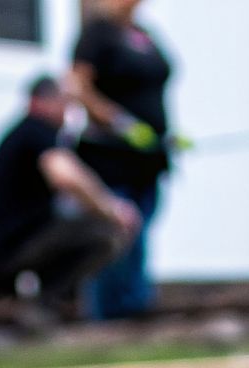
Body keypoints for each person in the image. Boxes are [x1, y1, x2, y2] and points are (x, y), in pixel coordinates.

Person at [0, 76, 143, 326]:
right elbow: (66, 177)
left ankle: (53, 303)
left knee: (83, 225)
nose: (69, 112)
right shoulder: (35, 131)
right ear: (41, 102)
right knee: (107, 233)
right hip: (10, 248)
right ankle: (44, 304)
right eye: (65, 103)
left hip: (11, 244)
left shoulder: (28, 134)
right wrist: (112, 209)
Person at [69, 0, 175, 320]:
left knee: (140, 230)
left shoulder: (145, 34)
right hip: (110, 156)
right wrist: (119, 122)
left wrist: (164, 133)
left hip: (147, 158)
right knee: (115, 230)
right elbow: (78, 87)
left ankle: (135, 308)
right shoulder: (96, 35)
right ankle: (106, 315)